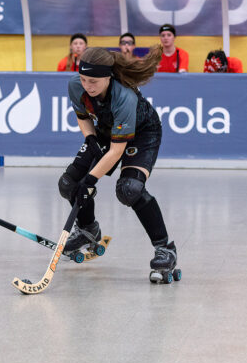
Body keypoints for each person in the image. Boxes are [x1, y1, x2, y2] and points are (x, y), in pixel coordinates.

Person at [58, 46, 179, 282]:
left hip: (143, 134)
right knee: (68, 184)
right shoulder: (75, 85)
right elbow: (83, 117)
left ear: (108, 77)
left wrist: (90, 181)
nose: (87, 86)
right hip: (105, 131)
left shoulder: (124, 97)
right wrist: (90, 139)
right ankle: (87, 229)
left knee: (129, 189)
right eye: (83, 79)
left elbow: (116, 151)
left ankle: (165, 248)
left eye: (93, 81)